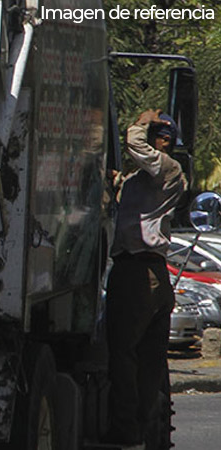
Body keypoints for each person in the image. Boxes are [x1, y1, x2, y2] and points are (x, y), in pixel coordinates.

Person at [106, 109, 187, 449]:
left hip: (140, 273)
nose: (155, 141)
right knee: (146, 357)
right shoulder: (139, 180)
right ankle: (145, 427)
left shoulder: (169, 170)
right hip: (145, 274)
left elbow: (136, 145)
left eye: (160, 135)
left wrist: (139, 123)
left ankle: (130, 428)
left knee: (125, 352)